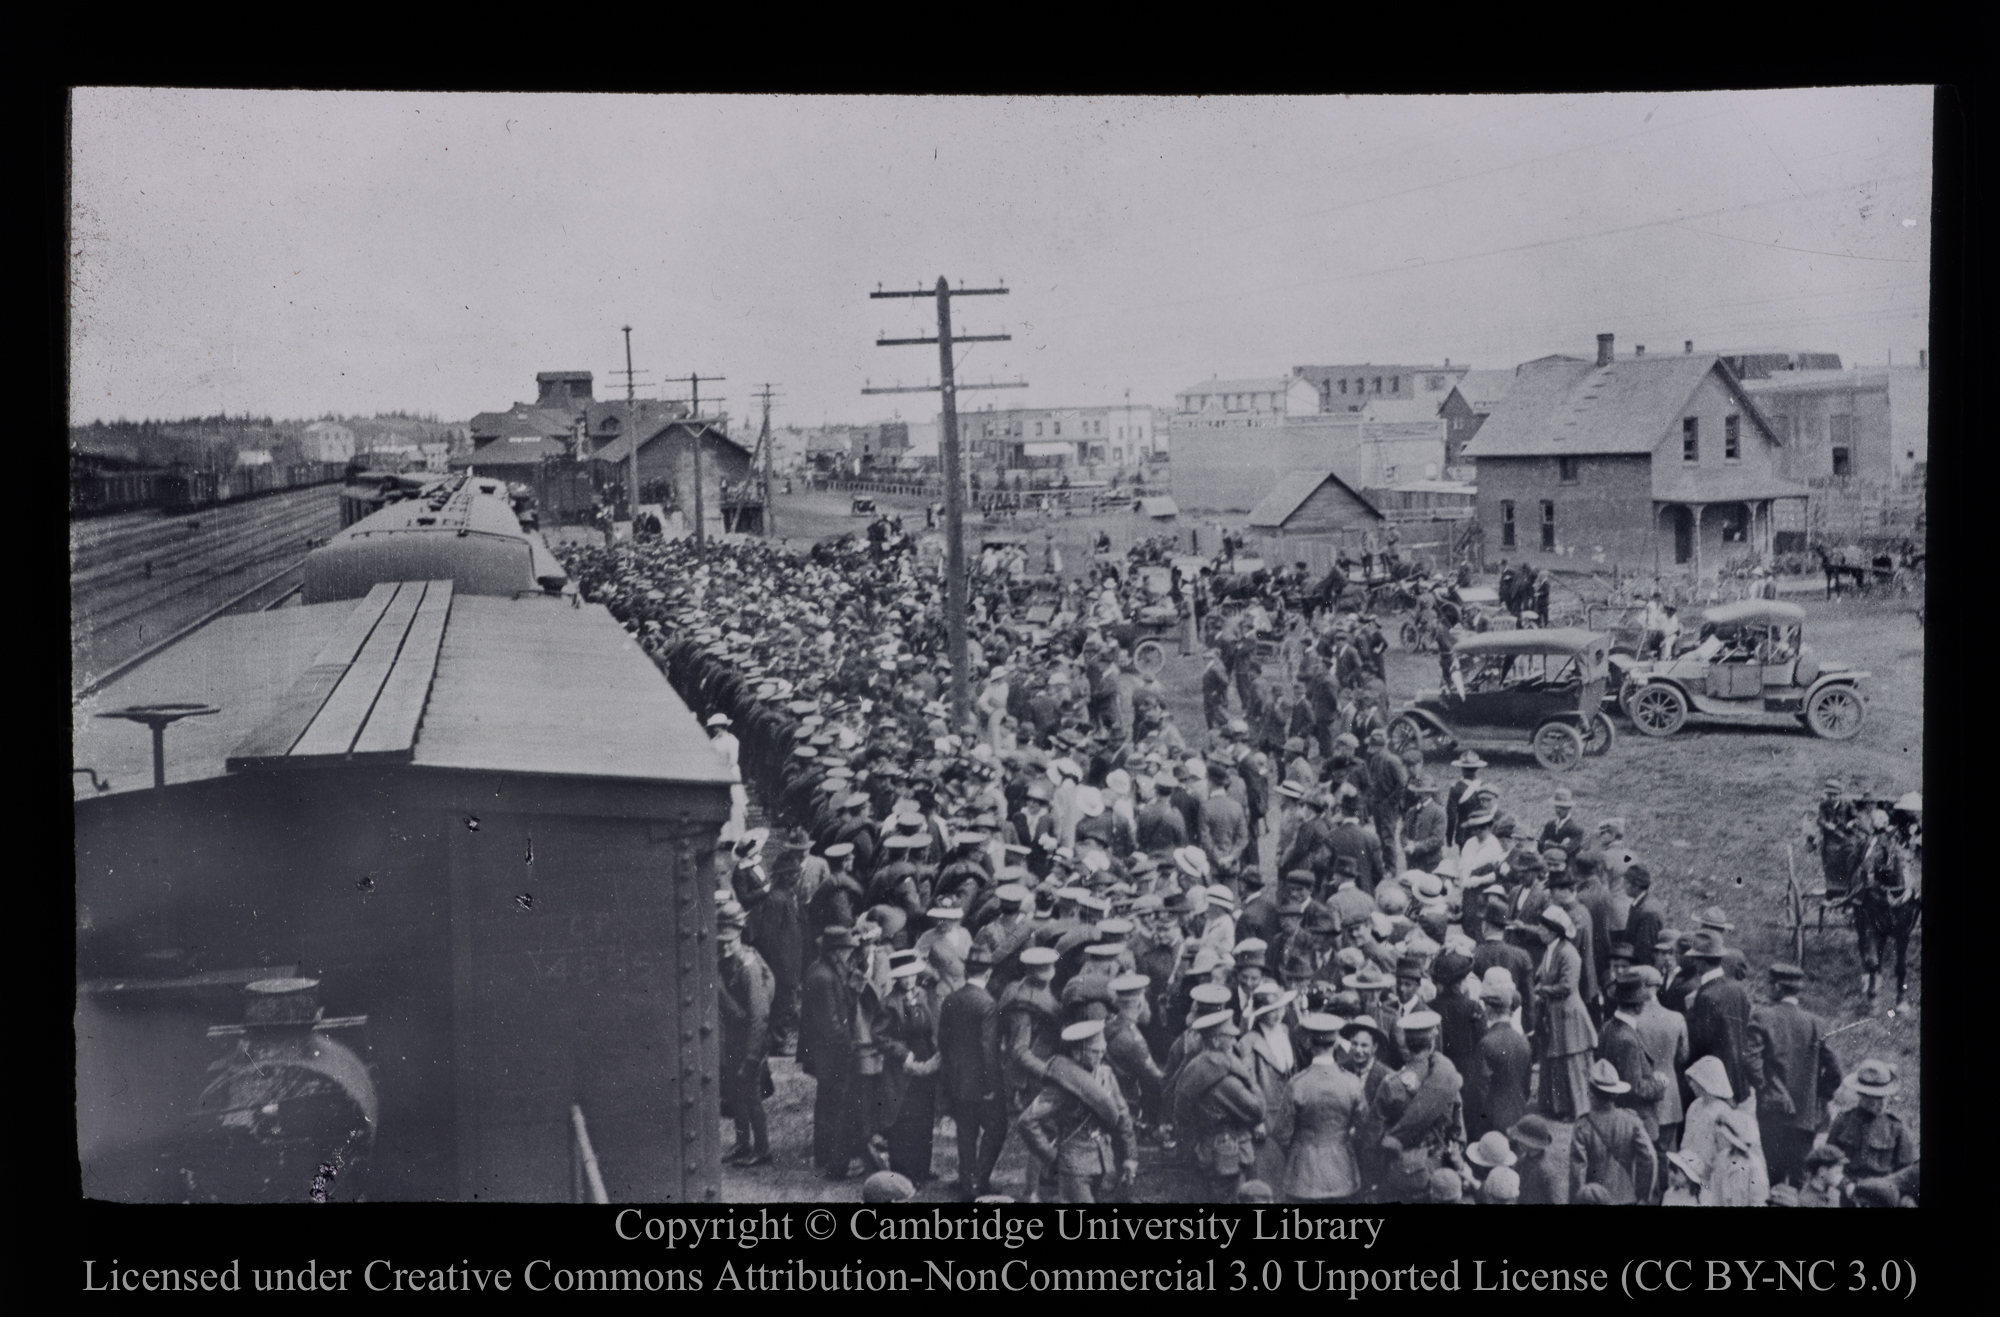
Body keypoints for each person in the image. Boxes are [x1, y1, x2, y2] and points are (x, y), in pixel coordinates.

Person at [1016, 1020, 1138, 1204]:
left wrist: (1130, 1156)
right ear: (1076, 1052)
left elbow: (1122, 1116)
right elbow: (1026, 1121)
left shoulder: (1105, 1074)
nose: (1101, 1055)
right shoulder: (1062, 1086)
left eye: (1102, 1050)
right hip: (1073, 1167)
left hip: (1103, 1163)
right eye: (1094, 1051)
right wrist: (1050, 1156)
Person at [1745, 962, 1843, 1187]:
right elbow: (1836, 1071)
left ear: (1778, 987)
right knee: (1800, 1178)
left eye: (1770, 984)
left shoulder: (1762, 1016)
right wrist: (1818, 1095)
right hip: (1805, 1116)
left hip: (1773, 1114)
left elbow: (1750, 1060)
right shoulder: (1816, 1023)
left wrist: (1765, 1089)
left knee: (1774, 1176)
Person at [1271, 1012, 1365, 1204]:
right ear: (1336, 1043)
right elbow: (1364, 1127)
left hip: (1303, 1175)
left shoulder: (1297, 1084)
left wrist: (1299, 1149)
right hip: (1343, 1171)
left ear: (1309, 1044)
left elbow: (1281, 1133)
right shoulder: (1352, 1083)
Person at [1173, 1011, 1267, 1201]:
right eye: (1230, 1037)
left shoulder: (1196, 1066)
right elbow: (1258, 1109)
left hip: (1206, 1150)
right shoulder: (1223, 1078)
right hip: (1227, 1156)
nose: (1234, 1042)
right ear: (1215, 1040)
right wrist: (1249, 1078)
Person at [1373, 1011, 1463, 1204]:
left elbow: (1375, 1135)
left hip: (1399, 1171)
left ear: (1404, 1043)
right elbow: (1457, 1131)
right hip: (1438, 1167)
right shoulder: (1448, 1080)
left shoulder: (1391, 1084)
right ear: (1431, 1044)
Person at [997, 946, 1064, 1201]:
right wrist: (1049, 1073)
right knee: (1042, 1131)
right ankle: (1031, 1192)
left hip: (1042, 1068)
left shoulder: (1028, 989)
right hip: (1034, 1076)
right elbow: (1019, 1051)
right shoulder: (1023, 1005)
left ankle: (1044, 1177)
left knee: (1049, 1129)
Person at [938, 947, 1005, 1199]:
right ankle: (979, 1180)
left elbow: (943, 1042)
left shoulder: (950, 999)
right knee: (997, 1129)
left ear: (966, 971)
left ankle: (967, 1182)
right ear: (988, 973)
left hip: (957, 1078)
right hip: (981, 1080)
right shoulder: (987, 1003)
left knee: (965, 1133)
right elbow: (988, 1048)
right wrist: (990, 1085)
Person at [800, 926, 866, 1178]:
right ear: (837, 951)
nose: (850, 955)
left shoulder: (827, 970)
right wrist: (848, 1047)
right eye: (848, 950)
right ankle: (830, 1157)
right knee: (834, 1104)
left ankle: (825, 1153)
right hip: (830, 1054)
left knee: (829, 1102)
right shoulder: (822, 977)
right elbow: (830, 1024)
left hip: (829, 1052)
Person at [716, 904, 776, 1167]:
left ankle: (762, 1149)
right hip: (733, 1039)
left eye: (730, 942)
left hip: (750, 1041)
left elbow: (759, 1017)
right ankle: (742, 1143)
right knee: (734, 1093)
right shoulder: (727, 963)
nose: (725, 947)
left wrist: (753, 1055)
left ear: (738, 937)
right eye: (722, 942)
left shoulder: (748, 967)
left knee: (751, 1097)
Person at [1533, 905, 1597, 1121]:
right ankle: (1558, 1107)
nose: (1539, 931)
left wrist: (1541, 991)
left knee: (1572, 1063)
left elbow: (1567, 986)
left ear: (1553, 931)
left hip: (1569, 1015)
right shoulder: (1550, 951)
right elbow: (1543, 974)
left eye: (1542, 928)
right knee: (1558, 1064)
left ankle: (1578, 1109)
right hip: (1555, 1014)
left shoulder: (1568, 953)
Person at [1681, 1054, 1768, 1206]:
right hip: (1688, 1167)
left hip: (1709, 1175)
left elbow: (1720, 1148)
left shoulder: (1722, 1112)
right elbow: (1687, 1137)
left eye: (1694, 1080)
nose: (1691, 1084)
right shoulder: (1694, 1107)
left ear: (1705, 1081)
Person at [1569, 1058, 1658, 1205]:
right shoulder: (1631, 1120)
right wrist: (1643, 1195)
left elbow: (1577, 1173)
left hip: (1594, 1199)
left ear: (1590, 1093)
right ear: (1615, 1094)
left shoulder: (1582, 1126)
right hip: (1627, 1196)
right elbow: (1649, 1157)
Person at [1682, 930, 1753, 1107]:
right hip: (1738, 1078)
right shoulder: (1738, 989)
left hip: (1714, 1082)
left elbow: (1700, 1042)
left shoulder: (1705, 995)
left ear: (1698, 962)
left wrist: (1690, 1014)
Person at [1466, 972, 1532, 1140]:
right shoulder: (1522, 1040)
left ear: (1488, 1009)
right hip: (1518, 1111)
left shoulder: (1486, 1043)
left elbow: (1479, 1089)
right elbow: (1526, 1083)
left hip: (1491, 1117)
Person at [1825, 1060, 1917, 1180]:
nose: (1882, 1103)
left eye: (1885, 1097)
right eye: (1876, 1098)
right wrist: (1844, 1185)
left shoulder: (1896, 1128)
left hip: (1882, 1191)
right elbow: (1827, 1161)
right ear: (1862, 1096)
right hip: (1846, 1189)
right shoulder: (1843, 1121)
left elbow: (1907, 1171)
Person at [1508, 1114, 1561, 1205]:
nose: (1518, 1141)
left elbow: (1554, 1200)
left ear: (1534, 1144)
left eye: (1522, 1140)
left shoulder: (1546, 1170)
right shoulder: (1521, 1162)